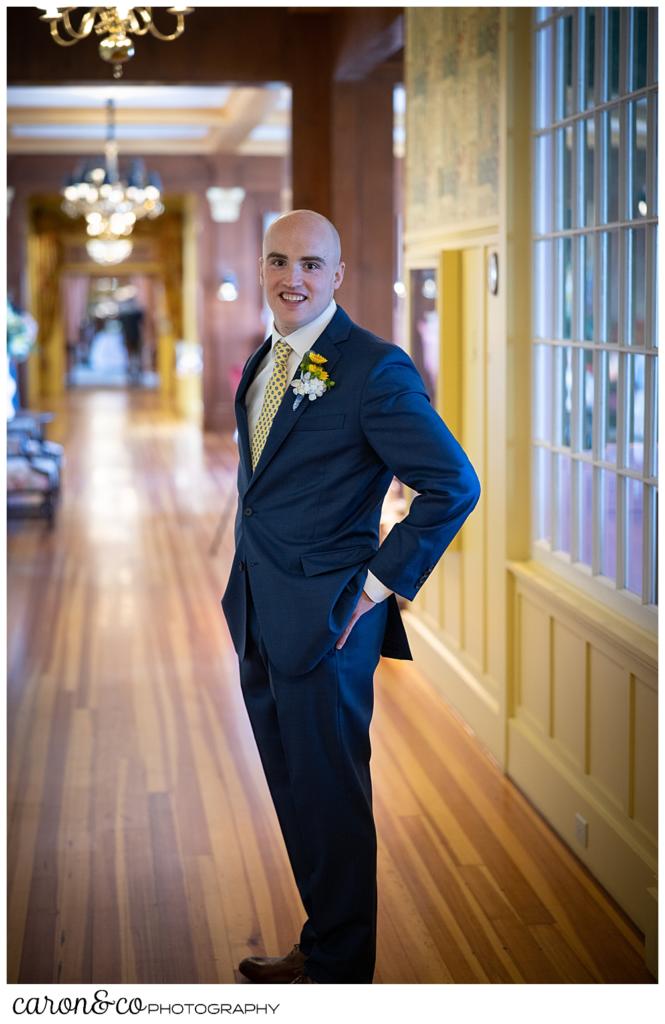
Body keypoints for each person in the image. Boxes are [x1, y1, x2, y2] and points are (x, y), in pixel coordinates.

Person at [221, 210, 480, 985]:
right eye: (277, 260)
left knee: (331, 805)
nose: (289, 277)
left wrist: (373, 587)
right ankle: (323, 943)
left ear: (337, 276)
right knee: (297, 794)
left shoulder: (374, 368)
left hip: (331, 624)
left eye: (308, 263)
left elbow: (452, 484)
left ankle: (340, 981)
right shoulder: (264, 356)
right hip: (261, 610)